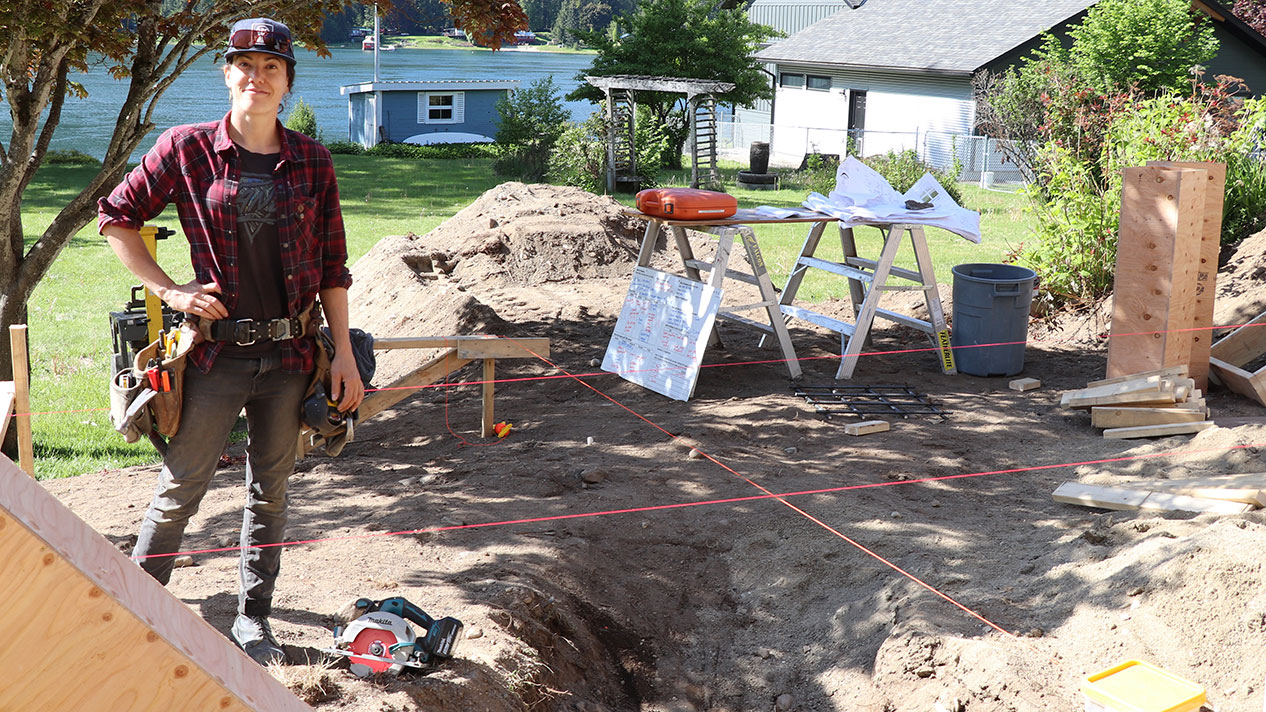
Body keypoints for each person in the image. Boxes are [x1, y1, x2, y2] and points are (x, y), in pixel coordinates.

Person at [98, 17, 364, 666]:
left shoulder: (313, 161)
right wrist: (172, 291)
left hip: (291, 359)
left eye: (271, 66)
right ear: (227, 74)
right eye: (244, 63)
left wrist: (347, 358)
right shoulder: (186, 150)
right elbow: (117, 217)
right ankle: (134, 617)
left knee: (269, 492)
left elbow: (333, 267)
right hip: (213, 357)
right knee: (180, 488)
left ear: (287, 81)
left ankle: (253, 622)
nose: (257, 75)